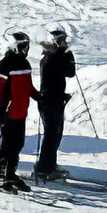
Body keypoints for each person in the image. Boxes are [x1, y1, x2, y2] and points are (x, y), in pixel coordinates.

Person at [0, 33, 39, 193]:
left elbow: (27, 86)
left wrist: (38, 96)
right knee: (6, 145)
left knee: (17, 144)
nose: (25, 49)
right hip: (9, 112)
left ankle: (10, 173)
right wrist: (0, 110)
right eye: (22, 46)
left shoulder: (24, 63)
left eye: (26, 46)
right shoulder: (5, 65)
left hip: (21, 111)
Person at [33, 27, 75, 182]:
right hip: (49, 102)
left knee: (55, 135)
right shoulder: (50, 59)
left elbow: (68, 73)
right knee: (51, 135)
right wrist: (66, 56)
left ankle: (49, 165)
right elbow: (67, 71)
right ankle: (44, 168)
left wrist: (66, 56)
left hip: (55, 100)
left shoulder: (54, 57)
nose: (65, 43)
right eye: (62, 41)